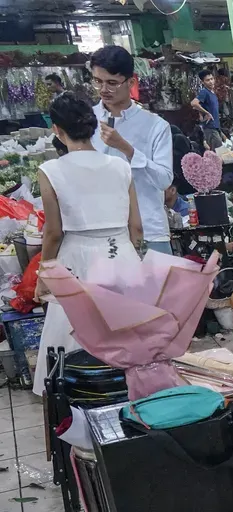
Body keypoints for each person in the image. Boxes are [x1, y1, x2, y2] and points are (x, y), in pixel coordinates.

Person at [34, 93, 143, 396]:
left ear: (57, 130)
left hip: (77, 258)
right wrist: (132, 257)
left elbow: (53, 232)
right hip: (121, 252)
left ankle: (79, 400)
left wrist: (44, 276)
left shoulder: (51, 171)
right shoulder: (120, 166)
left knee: (74, 337)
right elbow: (136, 227)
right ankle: (130, 394)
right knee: (127, 336)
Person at [89, 45, 174, 255]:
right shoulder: (86, 120)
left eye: (112, 83)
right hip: (100, 230)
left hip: (149, 229)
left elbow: (164, 180)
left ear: (131, 82)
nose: (103, 89)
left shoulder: (155, 125)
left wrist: (128, 149)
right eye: (97, 81)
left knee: (157, 288)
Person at [191, 69, 224, 150]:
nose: (211, 82)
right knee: (218, 153)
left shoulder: (212, 93)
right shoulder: (204, 92)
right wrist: (207, 113)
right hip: (210, 128)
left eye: (212, 79)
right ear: (203, 82)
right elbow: (194, 103)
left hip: (215, 127)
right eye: (207, 80)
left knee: (220, 152)